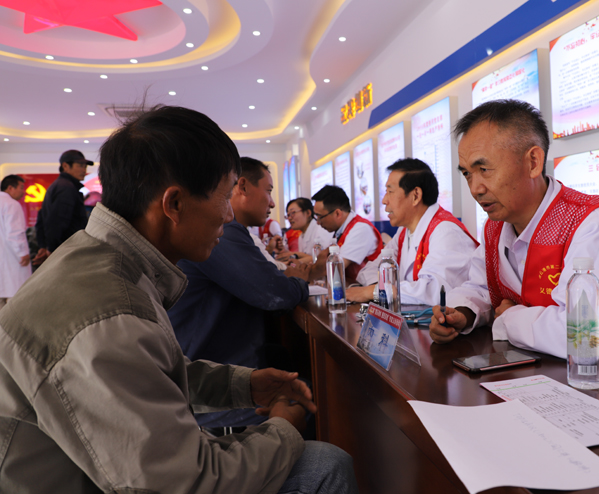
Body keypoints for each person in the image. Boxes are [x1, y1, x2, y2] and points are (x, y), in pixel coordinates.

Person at [0, 106, 357, 494]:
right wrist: (284, 429)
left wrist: (245, 385)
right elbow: (186, 483)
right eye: (225, 197)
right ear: (173, 204)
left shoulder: (99, 259)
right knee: (325, 465)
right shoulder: (108, 312)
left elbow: (148, 375)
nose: (228, 215)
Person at [429, 99, 599, 380]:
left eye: (484, 170)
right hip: (529, 378)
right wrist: (462, 313)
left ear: (533, 162)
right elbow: (480, 287)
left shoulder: (595, 223)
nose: (475, 188)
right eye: (467, 174)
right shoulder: (494, 227)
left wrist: (508, 319)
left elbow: (585, 338)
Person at [168, 156, 311, 430]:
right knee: (310, 398)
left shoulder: (229, 231)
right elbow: (275, 294)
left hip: (212, 377)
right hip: (207, 396)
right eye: (269, 191)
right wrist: (298, 282)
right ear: (241, 186)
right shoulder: (220, 232)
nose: (272, 203)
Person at [349, 158, 478, 306]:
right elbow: (371, 269)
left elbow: (434, 290)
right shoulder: (403, 232)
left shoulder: (445, 231)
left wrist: (374, 292)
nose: (384, 200)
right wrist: (380, 290)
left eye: (390, 192)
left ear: (415, 195)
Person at [32, 149, 92, 266]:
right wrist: (52, 249)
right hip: (67, 252)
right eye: (80, 165)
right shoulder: (66, 188)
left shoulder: (59, 185)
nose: (84, 170)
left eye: (85, 166)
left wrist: (43, 246)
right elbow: (57, 222)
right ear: (65, 166)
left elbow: (42, 217)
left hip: (63, 251)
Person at [311, 185, 382, 280]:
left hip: (369, 287)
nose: (318, 222)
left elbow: (335, 270)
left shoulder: (360, 229)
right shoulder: (340, 230)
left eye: (320, 217)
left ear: (337, 213)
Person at [0, 175, 32, 310]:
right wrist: (23, 253)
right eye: (21, 188)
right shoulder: (11, 204)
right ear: (10, 188)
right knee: (15, 302)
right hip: (12, 259)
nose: (23, 192)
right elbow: (14, 232)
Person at [277, 197, 333, 263]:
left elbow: (323, 259)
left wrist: (292, 259)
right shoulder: (301, 235)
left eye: (293, 213)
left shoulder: (321, 230)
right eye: (288, 215)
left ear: (308, 213)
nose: (289, 218)